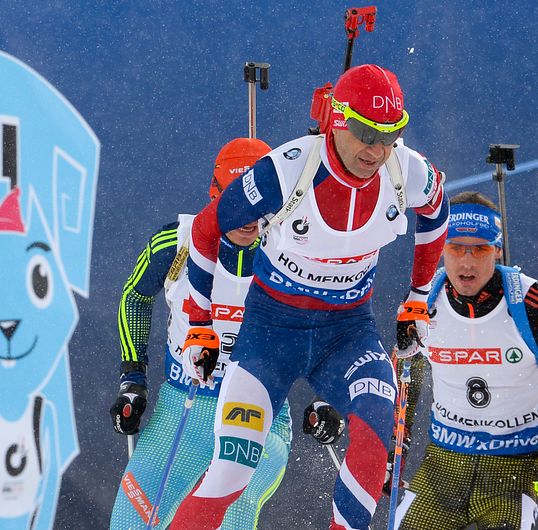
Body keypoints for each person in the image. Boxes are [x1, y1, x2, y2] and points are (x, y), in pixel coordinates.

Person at [169, 64, 450, 530]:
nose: (376, 150)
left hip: (347, 334)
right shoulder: (288, 168)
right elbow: (205, 228)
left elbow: (437, 214)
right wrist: (199, 323)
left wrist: (418, 295)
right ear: (337, 120)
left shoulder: (408, 170)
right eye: (364, 132)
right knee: (230, 475)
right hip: (269, 337)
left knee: (374, 436)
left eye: (390, 134)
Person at [109, 138, 339, 529]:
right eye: (238, 205)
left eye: (261, 207)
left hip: (259, 415)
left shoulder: (296, 254)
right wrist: (133, 380)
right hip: (184, 403)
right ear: (214, 197)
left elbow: (333, 329)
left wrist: (326, 398)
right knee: (132, 519)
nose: (250, 219)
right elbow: (134, 297)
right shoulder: (176, 242)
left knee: (228, 513)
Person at [387, 191, 538, 530]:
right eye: (456, 248)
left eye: (480, 249)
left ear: (497, 250)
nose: (466, 263)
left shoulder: (528, 302)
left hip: (518, 468)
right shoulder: (423, 304)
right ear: (441, 249)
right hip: (444, 468)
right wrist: (392, 452)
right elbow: (407, 376)